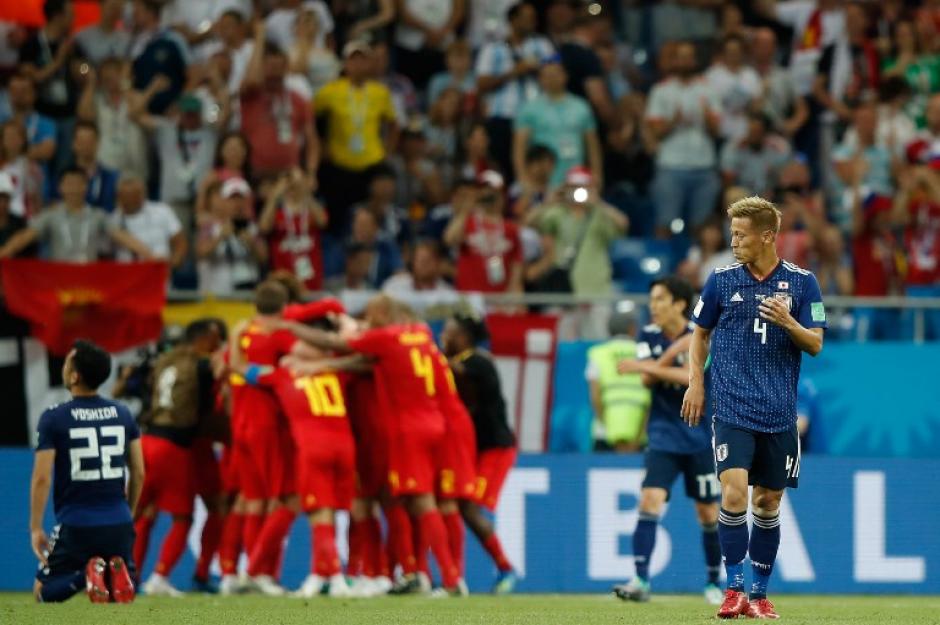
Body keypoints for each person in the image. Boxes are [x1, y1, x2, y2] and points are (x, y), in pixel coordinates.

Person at [682, 196, 827, 620]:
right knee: (733, 492)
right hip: (731, 409)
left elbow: (815, 343)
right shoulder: (722, 280)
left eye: (741, 235)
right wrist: (696, 382)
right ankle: (733, 589)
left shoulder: (803, 284)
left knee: (767, 503)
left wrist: (789, 322)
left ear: (768, 236)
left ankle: (760, 596)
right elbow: (699, 334)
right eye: (732, 234)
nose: (734, 241)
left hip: (779, 414)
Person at [283, 295, 466, 596]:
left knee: (409, 502)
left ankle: (439, 576)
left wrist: (291, 329)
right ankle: (405, 571)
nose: (367, 322)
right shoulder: (419, 334)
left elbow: (347, 347)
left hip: (400, 431)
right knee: (403, 502)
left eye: (370, 316)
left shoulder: (384, 340)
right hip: (433, 422)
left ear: (381, 313)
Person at [612, 277, 722, 605]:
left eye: (660, 299)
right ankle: (640, 579)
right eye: (652, 299)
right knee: (649, 501)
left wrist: (661, 357)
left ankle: (714, 582)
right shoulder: (647, 334)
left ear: (679, 303)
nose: (653, 305)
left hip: (700, 436)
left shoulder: (702, 332)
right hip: (662, 436)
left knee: (707, 513)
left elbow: (696, 376)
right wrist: (671, 354)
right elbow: (647, 380)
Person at [30, 340, 145, 603]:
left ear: (74, 375)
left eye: (68, 361)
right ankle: (106, 572)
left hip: (77, 523)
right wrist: (129, 513)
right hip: (119, 520)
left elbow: (42, 478)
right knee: (120, 590)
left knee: (42, 592)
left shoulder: (54, 417)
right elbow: (138, 471)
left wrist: (36, 527)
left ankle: (85, 576)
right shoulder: (123, 413)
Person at [134, 320, 222, 597]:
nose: (216, 345)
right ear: (205, 337)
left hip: (146, 440)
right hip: (174, 446)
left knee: (142, 513)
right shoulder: (201, 365)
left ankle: (126, 576)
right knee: (183, 517)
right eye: (215, 339)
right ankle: (159, 577)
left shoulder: (164, 361)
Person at [442, 312, 517, 593]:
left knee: (468, 507)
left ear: (464, 338)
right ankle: (455, 576)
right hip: (473, 448)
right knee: (459, 506)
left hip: (495, 448)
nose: (443, 337)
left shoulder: (478, 361)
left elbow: (457, 373)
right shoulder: (462, 361)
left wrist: (421, 355)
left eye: (449, 332)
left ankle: (506, 569)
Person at [315, 41, 399, 233]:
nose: (358, 65)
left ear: (370, 64)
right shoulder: (331, 91)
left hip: (371, 162)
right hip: (341, 163)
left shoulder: (380, 92)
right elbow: (311, 119)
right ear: (345, 64)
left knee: (374, 206)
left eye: (363, 60)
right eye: (354, 60)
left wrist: (388, 151)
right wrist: (321, 145)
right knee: (338, 216)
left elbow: (393, 124)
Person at [646, 41, 721, 238]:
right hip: (671, 166)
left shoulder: (709, 89)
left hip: (703, 166)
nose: (685, 61)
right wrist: (674, 121)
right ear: (675, 61)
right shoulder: (661, 90)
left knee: (701, 227)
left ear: (695, 60)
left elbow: (717, 131)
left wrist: (706, 118)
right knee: (665, 224)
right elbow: (654, 131)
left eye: (689, 57)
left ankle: (698, 266)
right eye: (681, 57)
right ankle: (662, 266)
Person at [0, 167, 151, 262]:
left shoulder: (98, 215)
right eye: (69, 184)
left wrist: (150, 255)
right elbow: (25, 237)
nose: (74, 188)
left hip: (88, 277)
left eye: (78, 184)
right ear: (60, 188)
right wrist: (5, 252)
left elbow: (122, 236)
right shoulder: (50, 216)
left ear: (86, 187)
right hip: (60, 277)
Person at [475, 2, 554, 179]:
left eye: (533, 18)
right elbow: (481, 84)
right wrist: (513, 72)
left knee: (536, 170)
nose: (531, 22)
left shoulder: (543, 45)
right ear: (512, 20)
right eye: (526, 18)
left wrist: (537, 70)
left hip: (537, 118)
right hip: (503, 117)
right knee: (503, 170)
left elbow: (556, 74)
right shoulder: (493, 48)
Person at [240, 22, 319, 180]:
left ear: (286, 67)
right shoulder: (251, 94)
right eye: (270, 66)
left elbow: (312, 139)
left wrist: (311, 173)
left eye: (278, 65)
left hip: (288, 175)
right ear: (261, 66)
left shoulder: (298, 99)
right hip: (255, 174)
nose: (274, 70)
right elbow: (251, 80)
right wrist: (260, 38)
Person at [514, 56, 602, 189]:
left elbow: (592, 146)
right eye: (547, 75)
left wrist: (597, 175)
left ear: (565, 76)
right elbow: (519, 148)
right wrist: (523, 178)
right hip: (544, 182)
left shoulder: (581, 107)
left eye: (556, 74)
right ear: (540, 79)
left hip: (576, 181)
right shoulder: (529, 109)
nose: (552, 78)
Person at [445, 169, 524, 294]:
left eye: (494, 192)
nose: (489, 195)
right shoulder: (467, 222)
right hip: (470, 299)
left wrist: (513, 299)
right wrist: (467, 208)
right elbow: (450, 239)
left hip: (500, 300)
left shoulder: (511, 228)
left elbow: (516, 268)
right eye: (484, 191)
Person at [585, 311, 649, 453]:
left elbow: (595, 396)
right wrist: (639, 435)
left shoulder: (598, 353)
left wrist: (608, 428)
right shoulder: (645, 354)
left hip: (605, 433)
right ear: (633, 329)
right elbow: (651, 397)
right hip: (639, 433)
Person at [259, 168, 328, 292]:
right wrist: (275, 196)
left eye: (296, 183)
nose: (292, 187)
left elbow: (322, 221)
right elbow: (264, 227)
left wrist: (306, 192)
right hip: (283, 277)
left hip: (311, 275)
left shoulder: (311, 209)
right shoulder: (277, 211)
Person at [110, 174, 186, 268]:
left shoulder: (162, 211)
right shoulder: (112, 220)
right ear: (119, 197)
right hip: (127, 277)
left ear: (143, 194)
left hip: (159, 275)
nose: (132, 199)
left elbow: (180, 243)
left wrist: (172, 262)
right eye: (127, 196)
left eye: (136, 194)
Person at [74, 0, 130, 64]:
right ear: (101, 6)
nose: (114, 12)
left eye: (118, 9)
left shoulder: (126, 39)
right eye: (112, 7)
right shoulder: (83, 36)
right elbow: (77, 63)